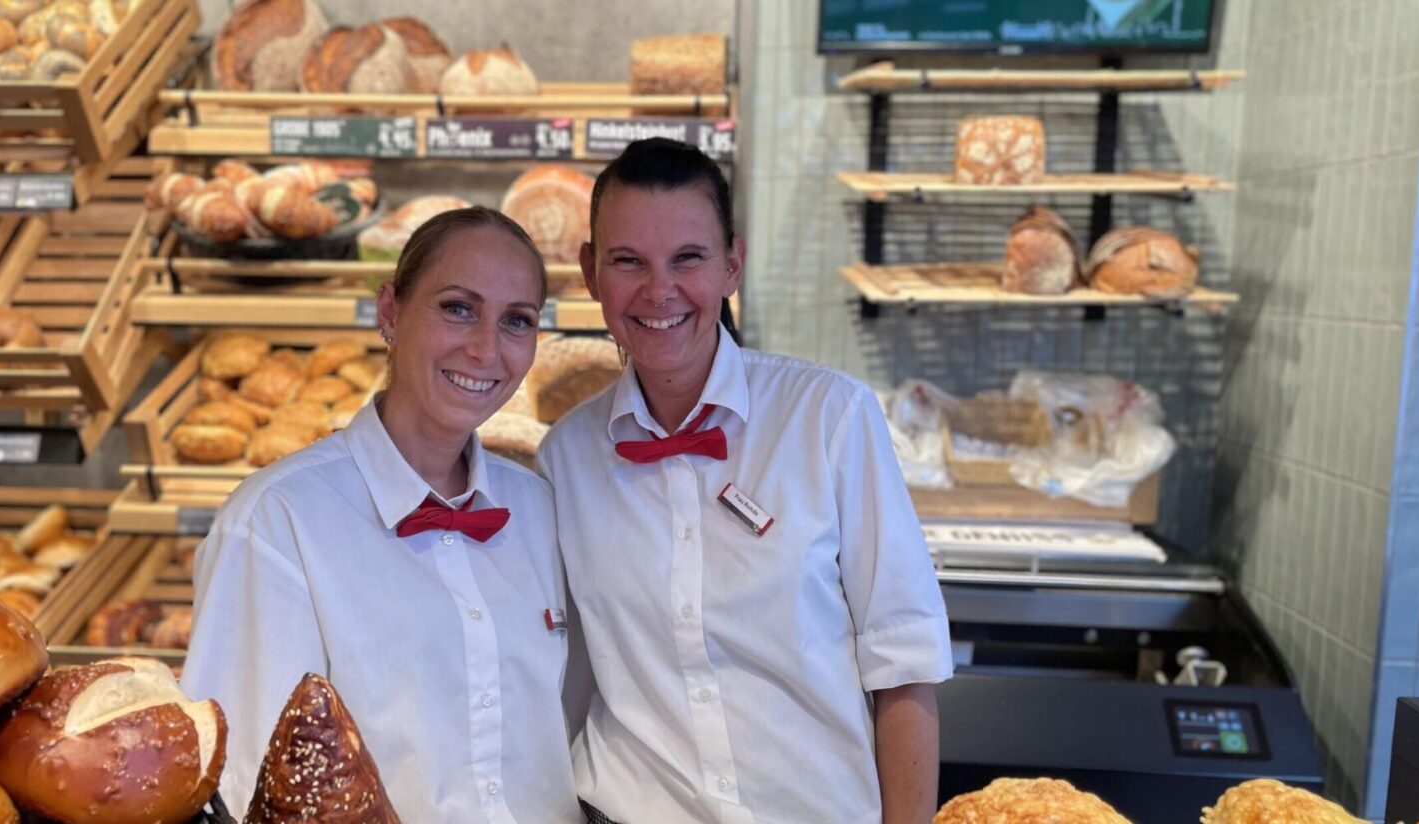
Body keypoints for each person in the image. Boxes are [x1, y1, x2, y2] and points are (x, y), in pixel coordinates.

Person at [537, 138, 953, 824]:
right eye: (628, 261)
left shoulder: (830, 418)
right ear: (590, 271)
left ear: (732, 263)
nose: (659, 290)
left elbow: (903, 663)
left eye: (688, 258)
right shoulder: (564, 459)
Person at [183, 206, 584, 823]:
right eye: (458, 308)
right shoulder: (277, 522)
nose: (486, 349)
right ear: (391, 312)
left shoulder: (539, 510)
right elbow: (243, 785)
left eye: (517, 321)